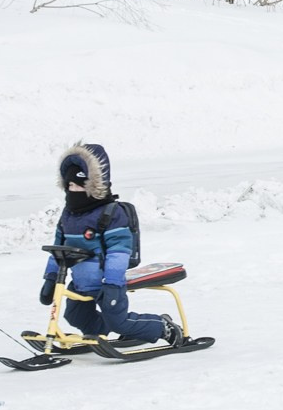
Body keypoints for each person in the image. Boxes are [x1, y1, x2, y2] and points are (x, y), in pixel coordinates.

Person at [40, 144, 180, 349]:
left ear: (93, 185)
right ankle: (98, 333)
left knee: (119, 321)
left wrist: (113, 283)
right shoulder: (68, 216)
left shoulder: (111, 213)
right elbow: (57, 249)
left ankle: (162, 327)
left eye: (79, 186)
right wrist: (51, 278)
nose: (73, 191)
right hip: (79, 282)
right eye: (70, 186)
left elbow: (119, 251)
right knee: (75, 315)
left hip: (107, 283)